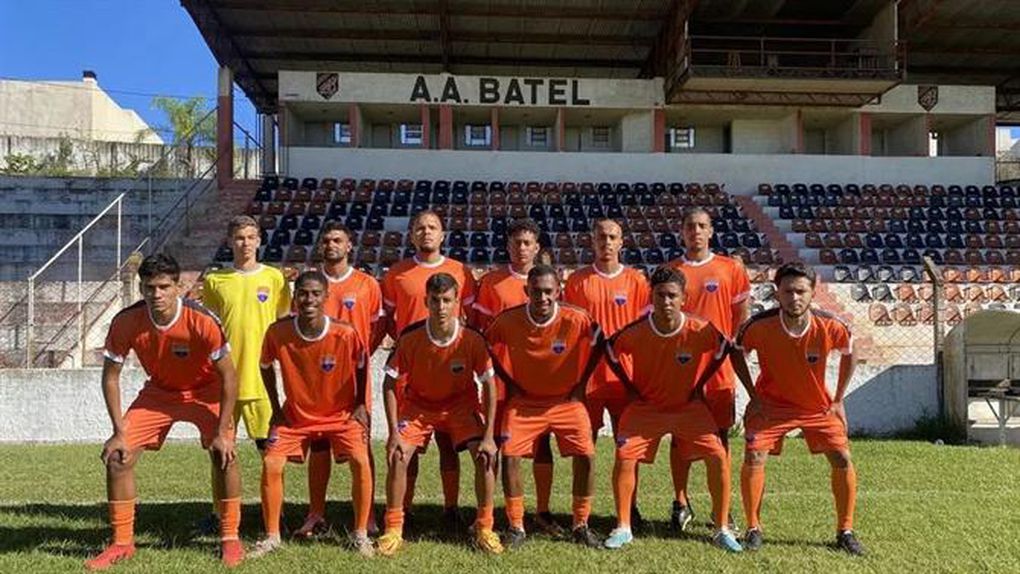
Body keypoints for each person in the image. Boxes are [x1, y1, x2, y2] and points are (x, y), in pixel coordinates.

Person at [86, 253, 243, 570]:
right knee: (118, 456)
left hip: (206, 391)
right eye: (149, 287)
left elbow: (229, 376)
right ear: (141, 288)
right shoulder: (126, 321)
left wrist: (223, 431)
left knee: (223, 453)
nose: (156, 294)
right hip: (159, 393)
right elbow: (111, 376)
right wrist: (118, 431)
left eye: (163, 287)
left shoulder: (203, 320)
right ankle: (122, 543)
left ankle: (230, 537)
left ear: (178, 287)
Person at [602, 266, 742, 552]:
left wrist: (700, 382)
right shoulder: (635, 332)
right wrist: (631, 387)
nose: (666, 301)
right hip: (647, 407)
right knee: (625, 455)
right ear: (651, 297)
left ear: (684, 298)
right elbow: (610, 351)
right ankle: (624, 526)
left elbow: (723, 349)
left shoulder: (700, 329)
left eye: (672, 296)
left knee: (717, 456)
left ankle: (722, 528)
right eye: (660, 295)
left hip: (688, 406)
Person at [730, 262, 864, 555]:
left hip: (817, 407)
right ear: (777, 292)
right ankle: (753, 528)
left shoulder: (830, 325)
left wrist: (838, 399)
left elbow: (851, 350)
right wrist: (753, 395)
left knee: (842, 457)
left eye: (801, 291)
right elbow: (736, 351)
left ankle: (845, 531)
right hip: (771, 406)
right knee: (754, 455)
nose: (795, 298)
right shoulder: (759, 326)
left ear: (813, 292)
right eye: (788, 291)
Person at [377, 273, 502, 556]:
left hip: (461, 407)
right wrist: (394, 432)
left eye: (447, 300)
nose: (441, 307)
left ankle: (484, 527)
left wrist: (489, 436)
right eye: (435, 300)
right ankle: (393, 529)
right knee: (398, 455)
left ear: (457, 302)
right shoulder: (411, 337)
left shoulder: (472, 339)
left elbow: (489, 386)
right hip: (419, 408)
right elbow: (389, 383)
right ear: (426, 302)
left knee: (486, 456)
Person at [251, 271, 374, 558]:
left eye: (316, 294)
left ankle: (360, 535)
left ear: (326, 297)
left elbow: (361, 364)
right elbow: (265, 366)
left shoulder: (345, 332)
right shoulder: (278, 332)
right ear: (294, 297)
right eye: (303, 293)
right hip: (295, 417)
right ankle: (272, 537)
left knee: (360, 460)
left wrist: (359, 404)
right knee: (271, 462)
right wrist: (276, 408)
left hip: (341, 416)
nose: (309, 299)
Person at [486, 265, 603, 549]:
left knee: (586, 455)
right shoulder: (507, 320)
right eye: (536, 291)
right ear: (526, 291)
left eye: (549, 291)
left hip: (566, 402)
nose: (543, 297)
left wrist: (582, 382)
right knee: (510, 456)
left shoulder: (577, 318)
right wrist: (508, 381)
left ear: (558, 291)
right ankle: (516, 527)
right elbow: (485, 347)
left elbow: (601, 342)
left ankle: (581, 524)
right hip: (524, 404)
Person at [380, 209, 477, 524]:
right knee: (409, 447)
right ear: (411, 235)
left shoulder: (460, 271)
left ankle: (451, 509)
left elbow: (472, 319)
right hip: (411, 372)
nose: (426, 232)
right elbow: (388, 320)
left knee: (449, 444)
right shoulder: (397, 274)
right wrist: (405, 346)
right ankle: (404, 509)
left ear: (443, 234)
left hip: (450, 371)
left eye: (432, 227)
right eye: (420, 227)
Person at [295, 221, 384, 538]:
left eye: (337, 240)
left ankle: (368, 515)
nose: (331, 245)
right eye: (326, 240)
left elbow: (378, 326)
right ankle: (315, 513)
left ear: (349, 246)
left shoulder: (366, 284)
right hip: (316, 380)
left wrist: (360, 356)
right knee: (318, 443)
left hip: (353, 380)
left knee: (361, 444)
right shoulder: (310, 284)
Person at [471, 218, 560, 534]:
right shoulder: (491, 283)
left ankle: (543, 511)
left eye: (527, 243)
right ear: (507, 246)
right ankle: (489, 514)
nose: (521, 248)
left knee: (542, 444)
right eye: (516, 242)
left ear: (537, 247)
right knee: (496, 444)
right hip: (499, 379)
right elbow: (480, 332)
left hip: (539, 380)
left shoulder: (549, 281)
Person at [666, 206, 750, 532]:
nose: (696, 231)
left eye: (702, 225)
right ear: (682, 231)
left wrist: (730, 345)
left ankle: (721, 507)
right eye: (690, 226)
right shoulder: (671, 270)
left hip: (719, 368)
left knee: (720, 436)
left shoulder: (730, 268)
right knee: (679, 434)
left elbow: (740, 315)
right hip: (680, 368)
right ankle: (680, 501)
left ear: (711, 231)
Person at [563, 219, 651, 525]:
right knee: (584, 447)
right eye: (601, 236)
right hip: (587, 379)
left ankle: (628, 510)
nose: (607, 242)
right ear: (592, 241)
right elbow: (569, 332)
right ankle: (581, 516)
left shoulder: (637, 281)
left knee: (627, 448)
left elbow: (645, 332)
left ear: (621, 242)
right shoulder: (577, 282)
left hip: (625, 379)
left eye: (613, 237)